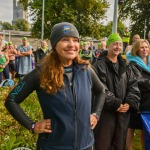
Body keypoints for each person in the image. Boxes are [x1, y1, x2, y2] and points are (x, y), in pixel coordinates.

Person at [5, 22, 105, 150]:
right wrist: (32, 125)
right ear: (54, 45)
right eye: (65, 40)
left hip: (85, 144)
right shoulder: (41, 73)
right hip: (54, 145)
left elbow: (101, 91)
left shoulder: (86, 70)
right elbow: (11, 99)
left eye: (75, 40)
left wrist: (96, 114)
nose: (71, 45)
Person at [93, 33, 140, 150]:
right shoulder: (99, 65)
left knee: (119, 144)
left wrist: (129, 103)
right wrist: (115, 104)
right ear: (108, 46)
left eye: (119, 44)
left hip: (123, 114)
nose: (118, 47)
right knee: (102, 143)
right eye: (115, 44)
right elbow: (100, 88)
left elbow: (133, 86)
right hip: (105, 114)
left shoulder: (126, 66)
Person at [126, 39, 150, 150]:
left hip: (148, 101)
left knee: (144, 129)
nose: (145, 49)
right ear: (136, 49)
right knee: (132, 128)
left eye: (146, 47)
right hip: (138, 100)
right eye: (142, 47)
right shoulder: (133, 63)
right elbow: (139, 81)